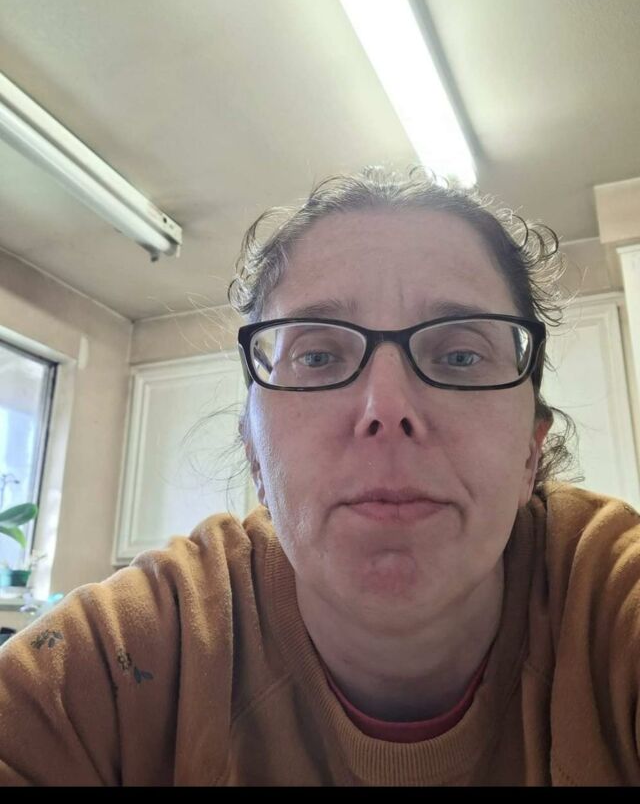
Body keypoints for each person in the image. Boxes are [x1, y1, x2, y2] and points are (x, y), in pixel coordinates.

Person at [1, 167, 639, 787]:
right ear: (255, 453)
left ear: (531, 449)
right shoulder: (134, 650)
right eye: (317, 355)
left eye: (460, 355)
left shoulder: (612, 604)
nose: (387, 406)